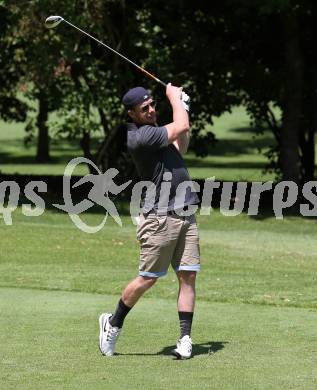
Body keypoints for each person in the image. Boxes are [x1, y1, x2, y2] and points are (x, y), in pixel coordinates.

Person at [99, 83, 200, 359]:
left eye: (153, 105)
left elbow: (181, 143)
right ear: (131, 114)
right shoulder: (141, 136)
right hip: (160, 217)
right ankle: (113, 322)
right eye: (145, 109)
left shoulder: (155, 133)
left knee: (188, 275)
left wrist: (184, 107)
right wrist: (175, 98)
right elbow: (180, 127)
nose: (152, 111)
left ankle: (185, 339)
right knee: (148, 278)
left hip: (185, 212)